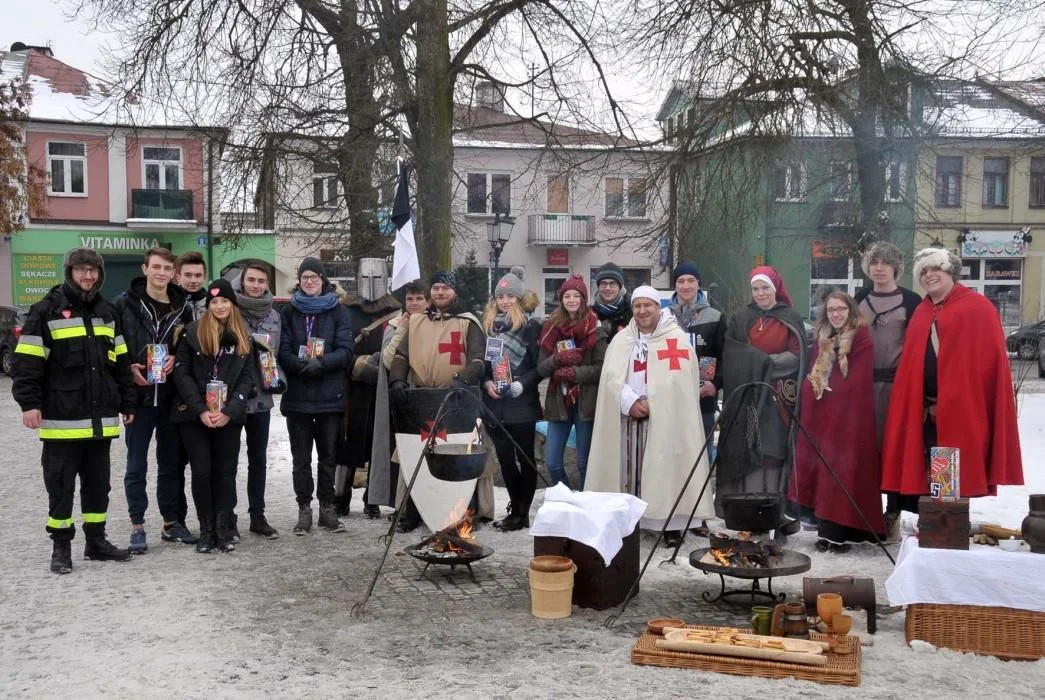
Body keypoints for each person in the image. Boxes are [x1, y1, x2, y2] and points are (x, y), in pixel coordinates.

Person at [12, 248, 137, 573]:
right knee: (61, 486)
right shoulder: (46, 311)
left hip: (101, 423)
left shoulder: (108, 312)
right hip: (61, 421)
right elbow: (27, 363)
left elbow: (120, 362)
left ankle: (96, 542)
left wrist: (128, 401)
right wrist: (29, 403)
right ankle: (61, 548)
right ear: (69, 272)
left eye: (94, 271)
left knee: (98, 487)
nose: (88, 276)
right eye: (82, 270)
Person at [881, 248, 1023, 509]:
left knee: (948, 472)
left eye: (936, 268)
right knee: (927, 467)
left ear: (951, 272)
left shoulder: (976, 308)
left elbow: (988, 367)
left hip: (961, 410)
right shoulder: (923, 311)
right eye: (923, 271)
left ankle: (945, 526)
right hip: (924, 410)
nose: (929, 275)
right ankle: (935, 524)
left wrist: (953, 398)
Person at [587, 286, 714, 547]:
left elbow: (679, 384)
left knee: (667, 468)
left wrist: (654, 403)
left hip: (665, 422)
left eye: (648, 305)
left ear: (658, 308)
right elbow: (610, 379)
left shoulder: (676, 340)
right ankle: (627, 521)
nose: (642, 311)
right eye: (637, 306)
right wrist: (630, 400)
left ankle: (670, 524)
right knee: (625, 468)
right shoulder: (622, 341)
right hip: (627, 419)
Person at [388, 271, 496, 532]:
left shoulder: (467, 322)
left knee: (463, 459)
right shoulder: (416, 323)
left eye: (444, 288)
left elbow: (478, 360)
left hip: (458, 399)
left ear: (453, 291)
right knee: (417, 457)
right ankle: (413, 513)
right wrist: (397, 381)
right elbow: (402, 356)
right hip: (423, 400)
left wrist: (463, 379)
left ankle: (465, 514)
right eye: (435, 288)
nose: (439, 293)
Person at [111, 246, 196, 553]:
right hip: (139, 398)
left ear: (173, 273)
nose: (161, 273)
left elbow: (189, 346)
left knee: (170, 464)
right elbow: (111, 345)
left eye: (166, 269)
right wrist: (126, 368)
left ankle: (171, 524)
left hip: (172, 397)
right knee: (136, 465)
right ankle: (137, 525)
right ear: (145, 269)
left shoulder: (182, 307)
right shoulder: (123, 304)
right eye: (156, 267)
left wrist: (176, 356)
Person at [789, 292, 884, 552]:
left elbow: (856, 382)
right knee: (822, 472)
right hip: (824, 415)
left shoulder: (861, 337)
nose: (836, 314)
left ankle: (842, 532)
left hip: (849, 418)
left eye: (840, 309)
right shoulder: (823, 336)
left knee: (844, 472)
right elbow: (814, 373)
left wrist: (838, 404)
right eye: (831, 310)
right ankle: (824, 529)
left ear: (850, 310)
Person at [717, 266, 808, 537]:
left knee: (772, 454)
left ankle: (777, 515)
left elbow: (797, 353)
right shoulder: (741, 318)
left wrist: (766, 363)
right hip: (747, 395)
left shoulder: (789, 317)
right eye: (756, 289)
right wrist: (758, 363)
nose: (760, 294)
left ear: (776, 288)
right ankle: (747, 518)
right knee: (747, 450)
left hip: (778, 396)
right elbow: (731, 353)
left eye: (765, 288)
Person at [172, 280, 255, 553]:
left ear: (233, 304)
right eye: (214, 302)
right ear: (208, 306)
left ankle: (223, 528)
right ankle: (206, 530)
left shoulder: (243, 335)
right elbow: (181, 374)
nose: (219, 306)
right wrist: (201, 410)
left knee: (225, 473)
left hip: (228, 417)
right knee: (202, 472)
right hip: (196, 417)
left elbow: (247, 378)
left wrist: (230, 411)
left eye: (224, 301)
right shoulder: (192, 333)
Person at [278, 257, 355, 535]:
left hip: (329, 396)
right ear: (299, 281)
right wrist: (301, 365)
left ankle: (327, 508)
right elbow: (282, 350)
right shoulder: (289, 313)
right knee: (300, 458)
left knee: (327, 457)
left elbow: (346, 351)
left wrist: (321, 363)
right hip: (298, 396)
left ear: (323, 280)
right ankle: (304, 509)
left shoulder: (339, 312)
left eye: (314, 276)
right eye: (305, 277)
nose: (309, 281)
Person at [853, 241, 922, 541]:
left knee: (893, 450)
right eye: (874, 262)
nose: (879, 267)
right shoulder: (858, 298)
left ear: (896, 267)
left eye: (885, 262)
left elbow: (920, 345)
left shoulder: (911, 301)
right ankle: (865, 513)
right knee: (865, 450)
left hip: (897, 387)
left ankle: (892, 514)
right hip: (862, 387)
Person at [337, 258, 401, 518]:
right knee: (348, 441)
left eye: (378, 278)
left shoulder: (397, 313)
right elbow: (337, 344)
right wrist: (354, 365)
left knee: (380, 441)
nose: (372, 284)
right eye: (366, 278)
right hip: (351, 387)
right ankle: (340, 495)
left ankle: (372, 497)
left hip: (382, 387)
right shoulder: (345, 310)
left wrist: (385, 370)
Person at [667, 261, 725, 536]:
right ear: (675, 285)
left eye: (691, 280)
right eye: (681, 281)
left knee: (701, 456)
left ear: (698, 284)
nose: (686, 286)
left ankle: (698, 515)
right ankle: (672, 516)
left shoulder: (714, 316)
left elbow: (722, 356)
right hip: (670, 402)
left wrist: (715, 383)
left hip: (702, 400)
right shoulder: (663, 316)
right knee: (672, 456)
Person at [481, 272, 543, 531]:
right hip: (496, 404)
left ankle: (523, 512)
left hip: (522, 403)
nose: (505, 301)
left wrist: (521, 384)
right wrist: (487, 383)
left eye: (510, 296)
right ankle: (514, 508)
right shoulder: (490, 327)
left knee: (525, 458)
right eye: (500, 297)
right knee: (505, 460)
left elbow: (540, 366)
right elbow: (484, 365)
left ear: (519, 299)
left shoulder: (531, 327)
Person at [366, 281, 430, 515]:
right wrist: (403, 330)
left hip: (425, 396)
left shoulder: (436, 325)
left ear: (428, 301)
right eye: (410, 299)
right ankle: (402, 504)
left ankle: (424, 504)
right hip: (400, 397)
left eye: (419, 299)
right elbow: (388, 361)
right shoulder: (394, 326)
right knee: (400, 450)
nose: (414, 303)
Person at [537, 274, 606, 490]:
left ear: (584, 299)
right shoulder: (551, 326)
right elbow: (541, 367)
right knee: (553, 463)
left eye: (577, 295)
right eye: (567, 295)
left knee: (585, 463)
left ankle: (585, 505)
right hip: (559, 401)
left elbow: (601, 368)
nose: (572, 300)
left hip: (587, 403)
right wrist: (556, 360)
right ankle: (568, 499)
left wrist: (574, 373)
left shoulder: (596, 327)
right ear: (561, 299)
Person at [231, 260, 281, 538]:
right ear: (242, 282)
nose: (256, 285)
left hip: (261, 398)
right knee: (228, 461)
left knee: (258, 460)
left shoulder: (274, 316)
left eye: (261, 281)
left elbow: (276, 352)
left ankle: (258, 515)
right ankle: (229, 516)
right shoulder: (229, 311)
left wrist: (278, 377)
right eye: (251, 280)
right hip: (233, 397)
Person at [591, 262, 631, 342]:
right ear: (598, 287)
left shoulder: (632, 312)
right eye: (603, 284)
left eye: (612, 284)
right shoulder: (590, 314)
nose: (608, 288)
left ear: (619, 287)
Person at [175, 251, 208, 321]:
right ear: (178, 278)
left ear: (204, 277)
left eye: (198, 275)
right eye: (188, 275)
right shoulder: (169, 304)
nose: (193, 280)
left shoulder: (213, 304)